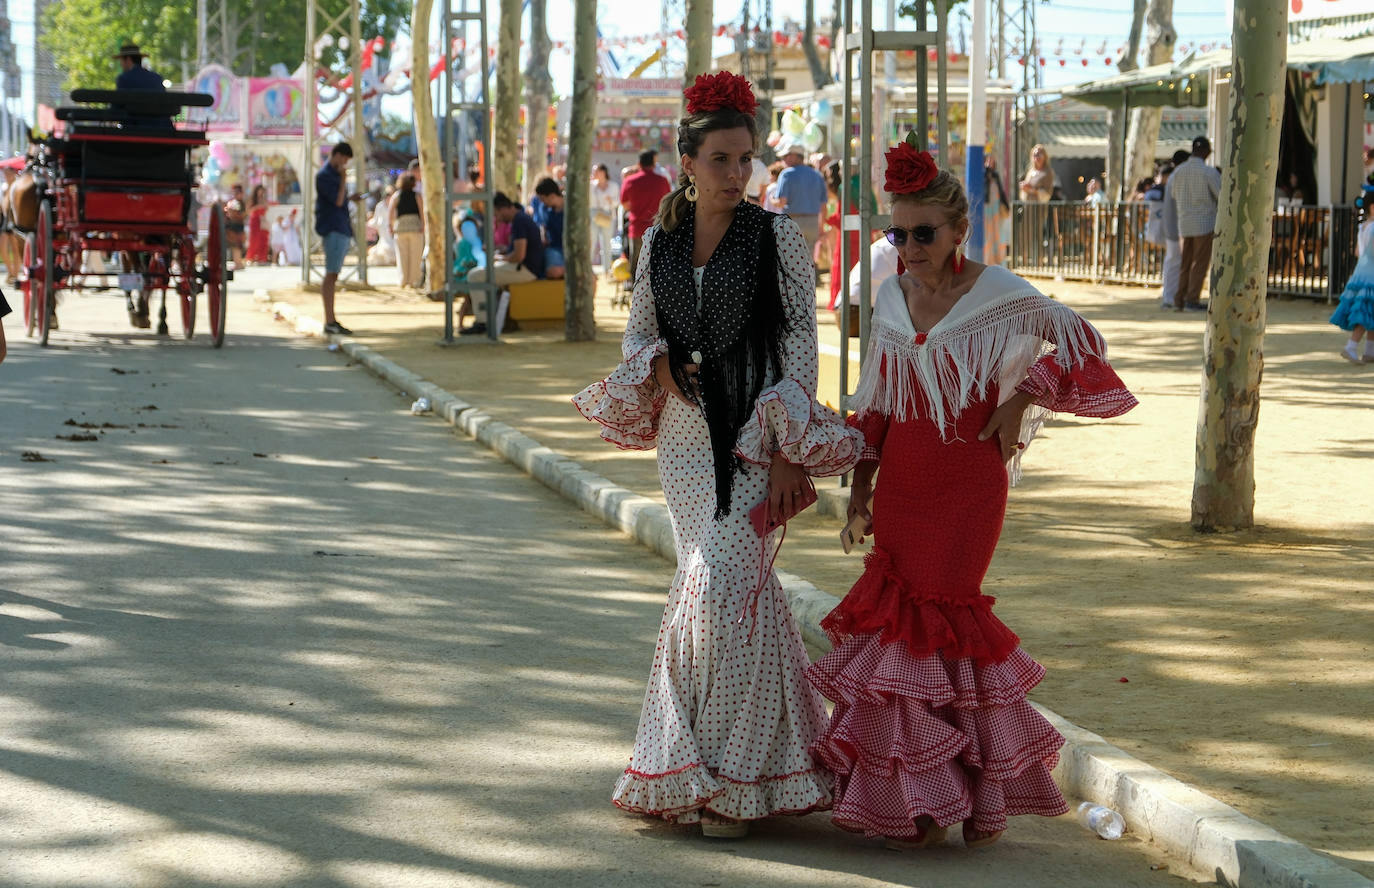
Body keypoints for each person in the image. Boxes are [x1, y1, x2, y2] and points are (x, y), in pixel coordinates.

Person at [806, 138, 1138, 851]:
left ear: (961, 230)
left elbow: (1086, 344)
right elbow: (881, 407)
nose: (909, 246)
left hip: (967, 492)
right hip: (903, 492)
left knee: (941, 630)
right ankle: (920, 801)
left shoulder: (1001, 293)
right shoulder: (891, 296)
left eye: (924, 232)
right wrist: (860, 493)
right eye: (899, 232)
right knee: (901, 637)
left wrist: (1023, 400)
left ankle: (955, 794)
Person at [573, 70, 862, 839]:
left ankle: (722, 776)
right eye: (724, 160)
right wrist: (661, 367)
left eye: (748, 159)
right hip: (683, 445)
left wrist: (794, 449)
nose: (740, 174)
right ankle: (744, 774)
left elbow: (801, 341)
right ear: (688, 162)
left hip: (755, 439)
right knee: (726, 591)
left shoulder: (776, 239)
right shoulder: (657, 241)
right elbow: (638, 336)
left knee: (717, 585)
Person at [460, 191, 545, 336]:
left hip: (526, 269)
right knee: (480, 273)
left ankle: (482, 321)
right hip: (523, 267)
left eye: (496, 215)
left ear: (502, 209)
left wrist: (498, 258)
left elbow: (519, 255)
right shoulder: (520, 219)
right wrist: (502, 251)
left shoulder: (520, 221)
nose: (496, 219)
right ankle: (492, 318)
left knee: (474, 276)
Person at [1167, 136, 1221, 312]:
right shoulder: (1209, 172)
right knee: (1199, 264)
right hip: (1204, 224)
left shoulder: (1178, 172)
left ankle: (1179, 299)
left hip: (1185, 223)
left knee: (1185, 264)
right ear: (1205, 151)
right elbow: (1221, 195)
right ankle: (1192, 299)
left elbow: (1174, 195)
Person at [315, 142, 364, 335]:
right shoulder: (324, 176)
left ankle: (331, 319)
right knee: (331, 274)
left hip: (341, 227)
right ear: (335, 155)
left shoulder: (334, 175)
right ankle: (329, 320)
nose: (344, 163)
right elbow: (336, 200)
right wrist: (344, 181)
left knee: (334, 275)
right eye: (343, 159)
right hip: (332, 227)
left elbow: (341, 199)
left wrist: (351, 198)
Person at [1331, 176, 1374, 364]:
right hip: (1371, 274)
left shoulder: (1363, 226)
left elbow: (1358, 251)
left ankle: (1370, 352)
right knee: (1365, 313)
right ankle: (1351, 346)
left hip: (1361, 272)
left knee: (1370, 311)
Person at [620, 149, 673, 279]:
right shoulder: (662, 180)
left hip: (637, 227)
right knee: (657, 263)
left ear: (639, 163)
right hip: (657, 228)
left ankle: (636, 293)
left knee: (637, 263)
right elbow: (667, 202)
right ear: (654, 164)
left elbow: (625, 204)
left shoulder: (630, 181)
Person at [774, 141, 828, 253]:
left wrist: (772, 201)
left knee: (790, 260)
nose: (783, 159)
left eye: (785, 156)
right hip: (812, 221)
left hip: (792, 221)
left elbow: (781, 202)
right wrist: (821, 227)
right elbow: (823, 205)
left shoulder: (786, 174)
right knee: (809, 261)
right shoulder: (817, 175)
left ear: (794, 156)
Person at [113, 41, 171, 128]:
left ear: (128, 59)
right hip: (162, 128)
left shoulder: (124, 79)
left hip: (133, 129)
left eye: (121, 61)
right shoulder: (157, 78)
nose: (121, 65)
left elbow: (116, 108)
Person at [1158, 150, 1189, 309]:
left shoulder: (1174, 176)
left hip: (1173, 224)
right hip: (1175, 226)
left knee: (1173, 261)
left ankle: (1170, 295)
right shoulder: (1177, 176)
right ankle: (1169, 296)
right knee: (1174, 262)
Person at [390, 172, 425, 288]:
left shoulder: (396, 195)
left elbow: (390, 213)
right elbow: (422, 212)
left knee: (402, 256)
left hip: (400, 228)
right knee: (415, 255)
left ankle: (403, 280)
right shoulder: (417, 195)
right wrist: (423, 226)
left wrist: (390, 226)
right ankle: (413, 280)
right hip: (415, 227)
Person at [529, 177, 565, 280]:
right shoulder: (543, 209)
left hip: (569, 250)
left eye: (542, 199)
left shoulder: (569, 208)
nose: (541, 202)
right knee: (553, 271)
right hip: (553, 249)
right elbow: (543, 227)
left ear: (552, 196)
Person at [590, 164, 619, 278]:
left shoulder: (613, 186)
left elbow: (617, 202)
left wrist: (610, 200)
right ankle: (589, 268)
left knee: (606, 243)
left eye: (596, 171)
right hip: (594, 214)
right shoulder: (591, 186)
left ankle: (607, 269)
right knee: (592, 241)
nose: (594, 174)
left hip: (607, 215)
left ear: (603, 172)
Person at [983, 154, 1012, 265]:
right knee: (988, 237)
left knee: (998, 236)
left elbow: (1001, 192)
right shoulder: (983, 175)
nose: (990, 163)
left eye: (992, 161)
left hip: (995, 212)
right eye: (988, 160)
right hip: (986, 212)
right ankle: (988, 260)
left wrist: (1006, 207)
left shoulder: (995, 176)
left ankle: (998, 260)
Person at [245, 185, 271, 265]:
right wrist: (258, 207)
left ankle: (262, 258)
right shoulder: (252, 200)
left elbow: (267, 208)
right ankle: (251, 257)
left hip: (262, 221)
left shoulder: (263, 200)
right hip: (255, 221)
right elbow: (248, 211)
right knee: (254, 240)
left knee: (263, 240)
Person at [224, 185, 246, 266]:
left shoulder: (240, 203)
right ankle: (238, 263)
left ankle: (238, 263)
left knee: (237, 246)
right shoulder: (233, 203)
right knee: (235, 246)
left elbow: (242, 215)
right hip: (234, 227)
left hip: (238, 227)